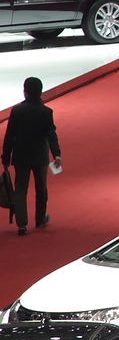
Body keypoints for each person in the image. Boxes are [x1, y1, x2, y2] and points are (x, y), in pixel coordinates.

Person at [2, 76, 60, 235]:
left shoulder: (17, 111)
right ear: (41, 92)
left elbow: (9, 136)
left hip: (21, 156)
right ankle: (40, 219)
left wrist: (5, 157)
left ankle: (21, 224)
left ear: (25, 92)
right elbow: (51, 135)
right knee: (41, 188)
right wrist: (57, 154)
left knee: (21, 189)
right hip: (40, 156)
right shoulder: (46, 112)